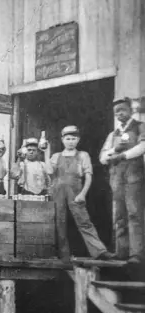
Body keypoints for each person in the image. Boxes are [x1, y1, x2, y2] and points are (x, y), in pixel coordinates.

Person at [45, 126, 114, 261]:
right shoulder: (56, 156)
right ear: (62, 140)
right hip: (57, 191)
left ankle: (100, 251)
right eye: (68, 139)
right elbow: (49, 171)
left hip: (75, 192)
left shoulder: (83, 155)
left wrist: (83, 193)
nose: (70, 141)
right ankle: (63, 256)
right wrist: (46, 153)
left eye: (73, 139)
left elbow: (88, 177)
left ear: (78, 140)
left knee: (84, 221)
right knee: (59, 222)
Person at [100, 97, 145, 264]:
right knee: (119, 214)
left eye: (123, 109)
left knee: (134, 213)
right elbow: (103, 157)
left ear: (131, 110)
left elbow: (142, 147)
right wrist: (114, 150)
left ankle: (137, 254)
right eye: (116, 111)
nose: (119, 113)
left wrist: (123, 155)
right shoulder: (113, 134)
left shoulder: (140, 127)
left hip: (134, 176)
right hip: (117, 178)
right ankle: (122, 251)